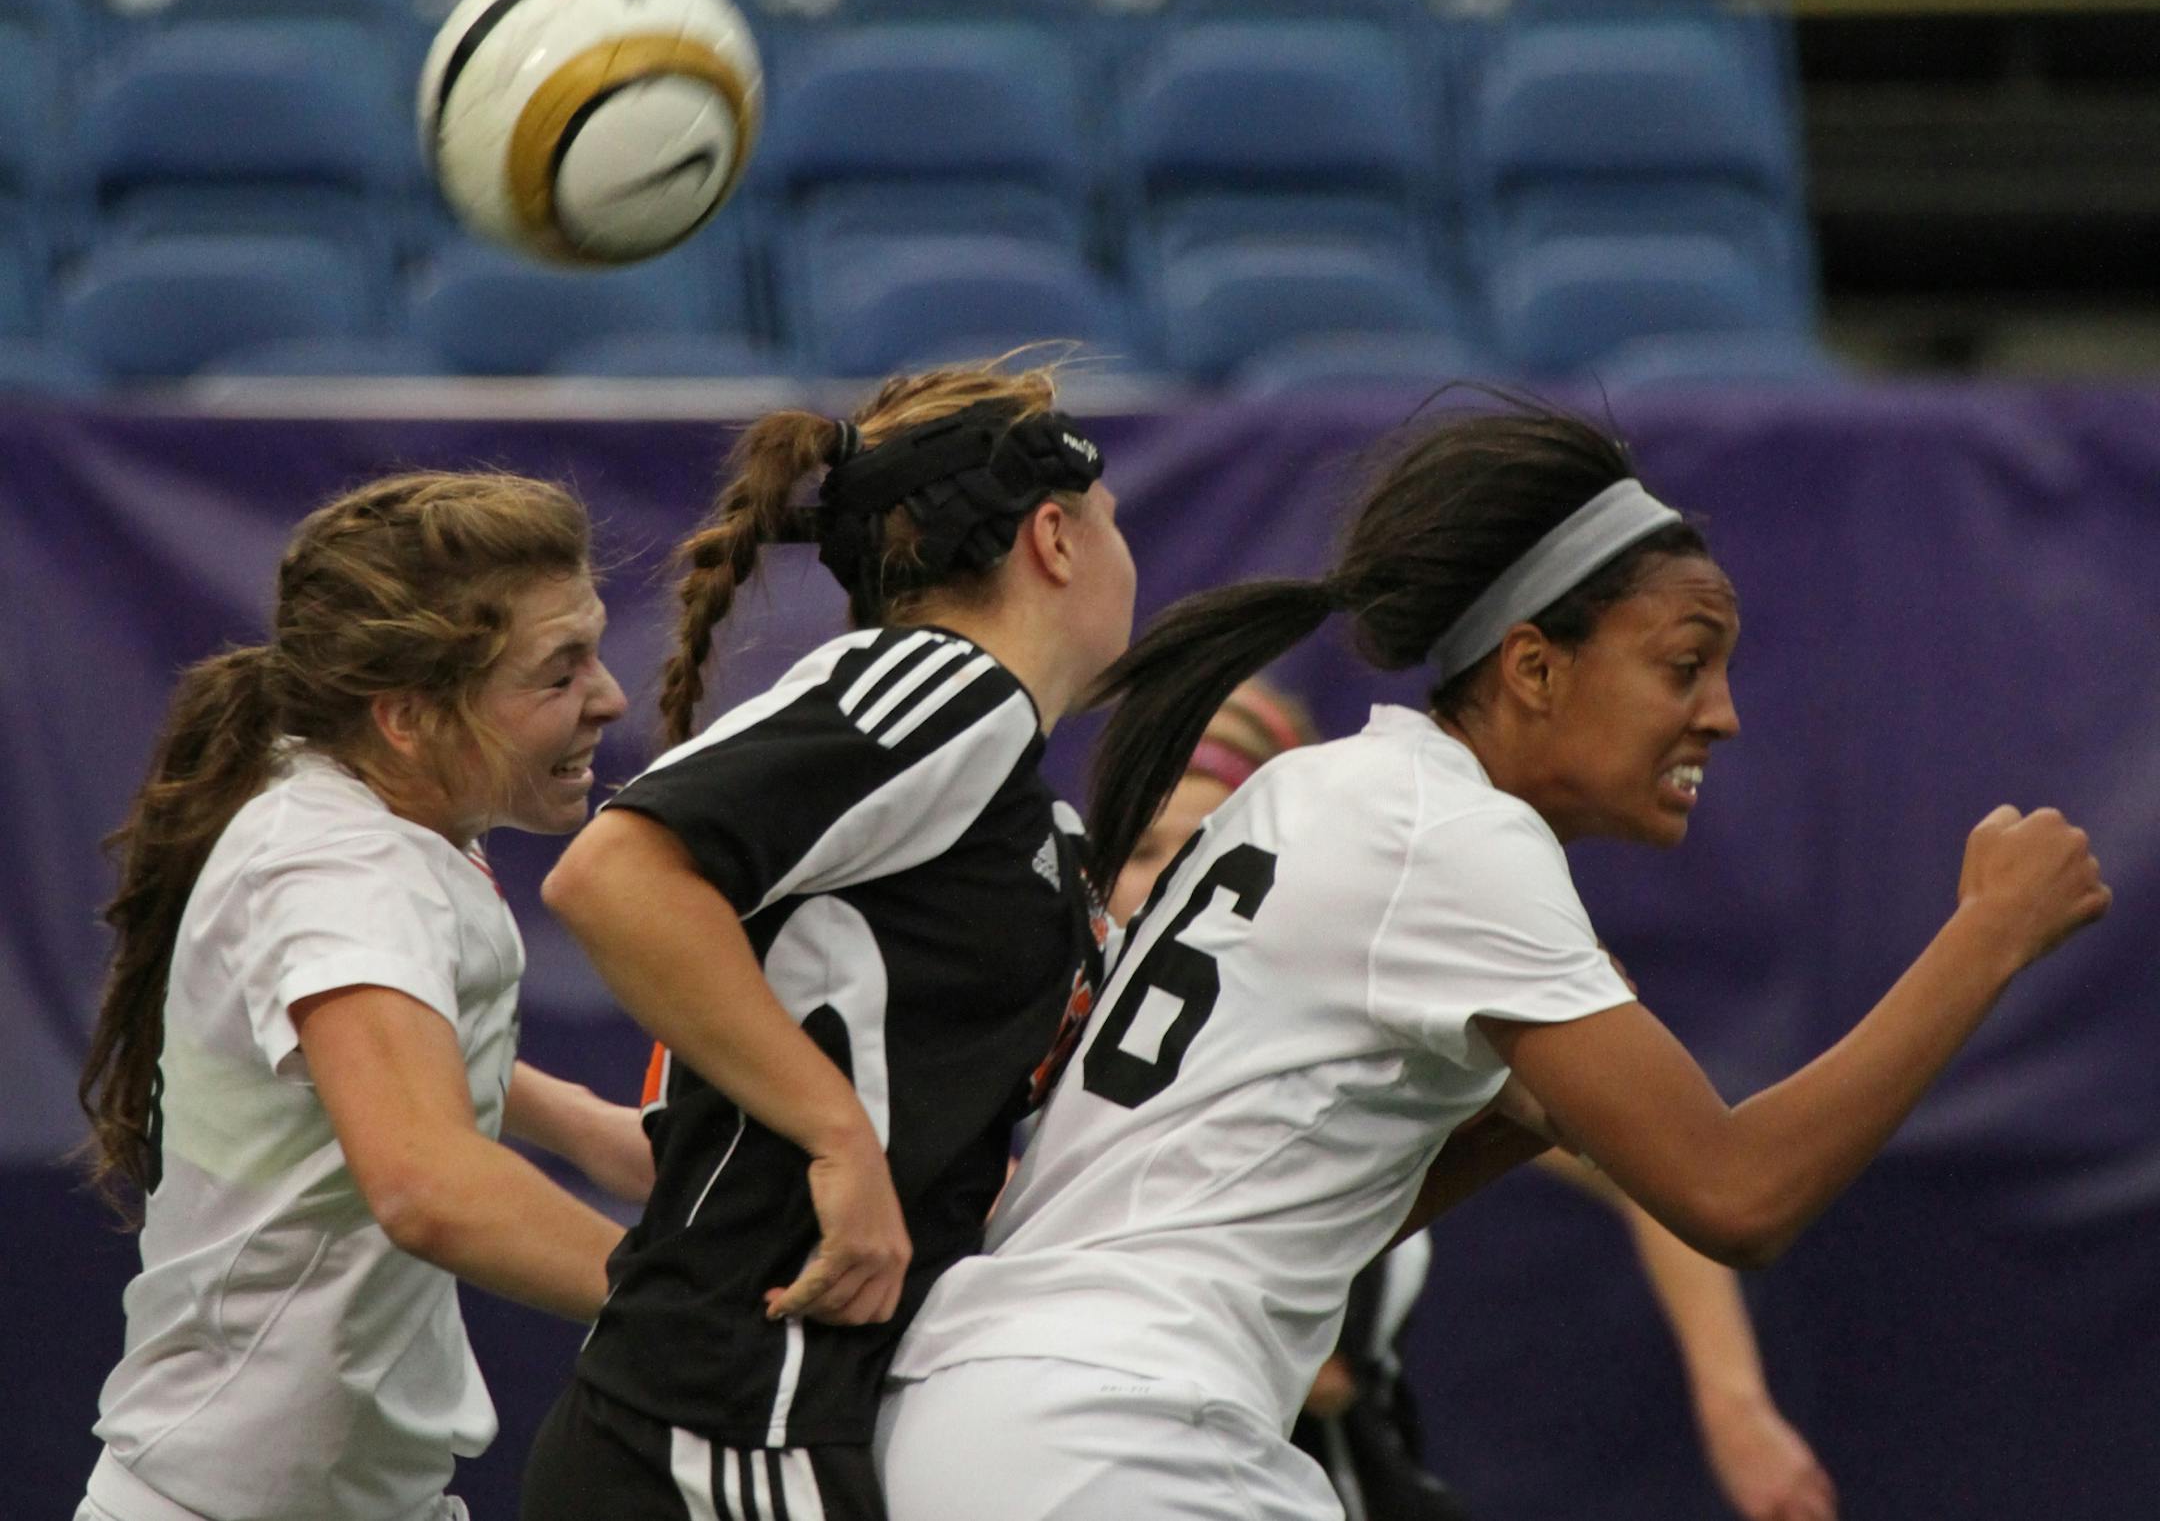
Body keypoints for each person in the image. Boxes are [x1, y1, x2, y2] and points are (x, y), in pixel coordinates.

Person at [876, 397, 2109, 1521]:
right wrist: (1990, 937)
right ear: (1531, 666)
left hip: (1000, 1420)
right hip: (1118, 1437)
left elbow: (1297, 1189)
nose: (1721, 711)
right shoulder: (1454, 840)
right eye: (1684, 663)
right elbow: (1740, 1197)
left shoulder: (1329, 789)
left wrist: (1516, 1116)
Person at [521, 359, 1134, 1521]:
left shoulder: (1022, 813)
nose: (1125, 555)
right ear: (1054, 537)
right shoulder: (948, 689)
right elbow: (612, 874)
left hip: (785, 1412)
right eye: (1116, 523)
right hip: (734, 1420)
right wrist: (842, 1137)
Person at [1112, 682, 1838, 1521]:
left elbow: (1692, 1177)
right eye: (1142, 851)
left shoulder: (1369, 1026)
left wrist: (1736, 1407)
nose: (1175, 883)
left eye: (1207, 850)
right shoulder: (1060, 1082)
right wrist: (1988, 935)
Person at [74, 471, 649, 1521]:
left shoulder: (378, 813)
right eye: (559, 672)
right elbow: (429, 1184)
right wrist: (700, 1311)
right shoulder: (342, 877)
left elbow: (373, 1052)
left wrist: (595, 1130)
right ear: (407, 717)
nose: (610, 697)